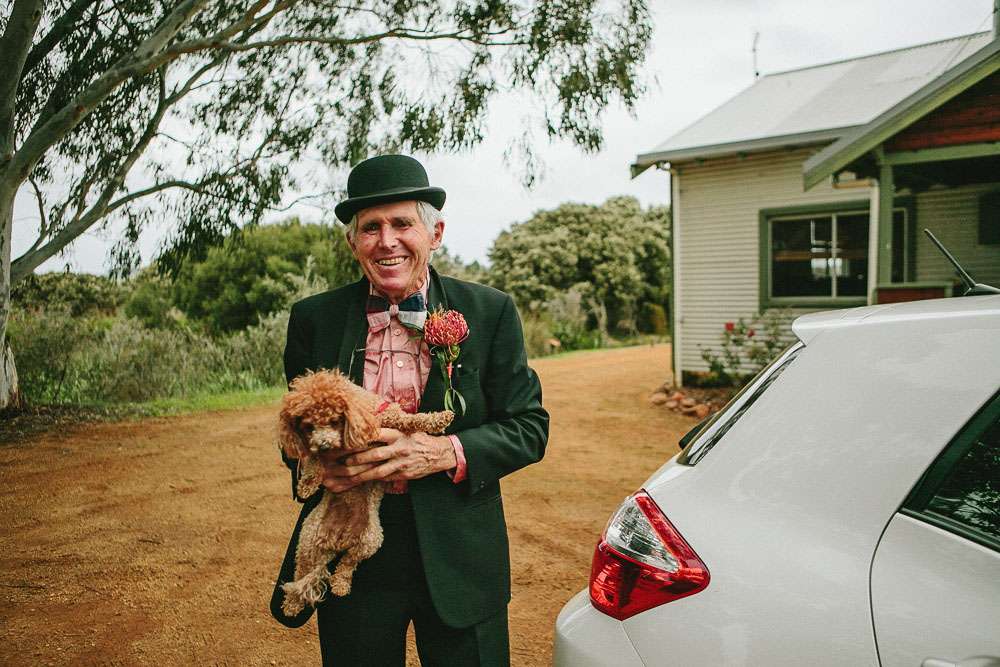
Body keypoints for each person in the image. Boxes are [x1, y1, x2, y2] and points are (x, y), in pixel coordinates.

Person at [271, 154, 549, 666]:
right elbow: (297, 430)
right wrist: (318, 468)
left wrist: (441, 452)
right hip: (354, 548)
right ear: (353, 242)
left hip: (462, 553)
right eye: (370, 228)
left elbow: (529, 428)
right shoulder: (313, 319)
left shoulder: (490, 311)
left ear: (435, 233)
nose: (387, 241)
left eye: (402, 224)